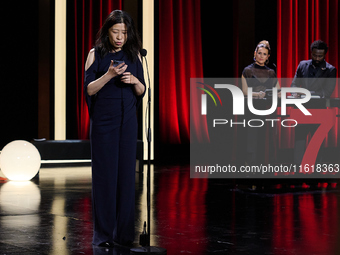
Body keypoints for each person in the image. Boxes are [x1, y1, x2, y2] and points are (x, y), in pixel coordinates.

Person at [84, 10, 146, 247]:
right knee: (105, 178)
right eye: (115, 32)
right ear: (107, 31)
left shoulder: (133, 55)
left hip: (128, 121)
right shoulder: (96, 53)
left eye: (124, 32)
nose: (120, 37)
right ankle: (104, 235)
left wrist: (135, 82)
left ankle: (124, 235)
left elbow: (142, 91)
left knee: (126, 178)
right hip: (104, 122)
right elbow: (89, 89)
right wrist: (109, 75)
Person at [292, 40, 336, 164]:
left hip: (318, 111)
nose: (317, 58)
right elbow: (294, 85)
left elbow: (327, 92)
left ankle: (316, 173)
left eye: (320, 56)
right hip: (301, 109)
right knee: (299, 142)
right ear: (311, 53)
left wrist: (305, 93)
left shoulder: (330, 70)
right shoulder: (302, 65)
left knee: (317, 143)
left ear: (325, 55)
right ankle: (298, 172)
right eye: (314, 55)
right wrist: (295, 92)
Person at [241, 41, 280, 165]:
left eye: (264, 54)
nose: (261, 56)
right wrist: (257, 94)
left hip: (268, 108)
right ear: (255, 54)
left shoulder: (271, 72)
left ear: (268, 57)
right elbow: (244, 91)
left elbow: (278, 91)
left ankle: (265, 164)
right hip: (252, 108)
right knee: (251, 137)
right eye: (259, 53)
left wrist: (278, 94)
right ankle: (250, 165)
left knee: (266, 137)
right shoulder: (247, 70)